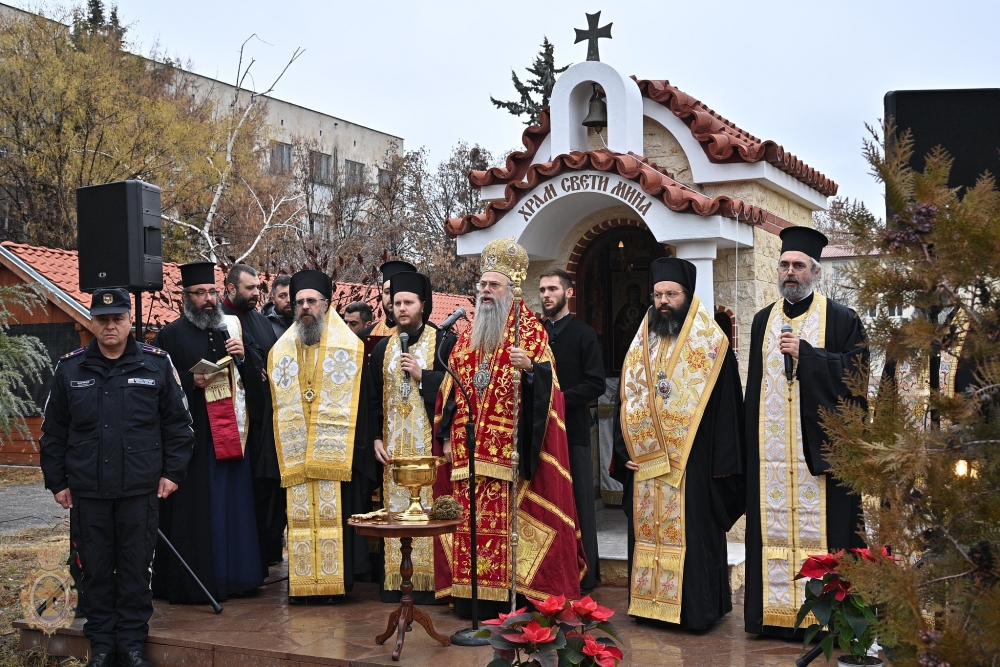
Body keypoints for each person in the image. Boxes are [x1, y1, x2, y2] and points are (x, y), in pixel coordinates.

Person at [40, 288, 194, 667]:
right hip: (88, 492)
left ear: (129, 321)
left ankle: (132, 645)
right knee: (93, 570)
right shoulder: (70, 368)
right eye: (102, 319)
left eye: (118, 319)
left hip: (139, 491)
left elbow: (179, 426)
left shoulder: (156, 365)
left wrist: (173, 473)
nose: (110, 326)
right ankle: (103, 646)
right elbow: (53, 432)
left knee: (135, 570)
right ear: (92, 322)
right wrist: (57, 481)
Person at [434, 237, 586, 618]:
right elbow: (450, 391)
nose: (485, 292)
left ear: (511, 290)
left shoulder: (530, 332)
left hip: (511, 456)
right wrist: (446, 437)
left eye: (493, 286)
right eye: (482, 285)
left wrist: (531, 370)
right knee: (470, 529)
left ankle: (510, 597)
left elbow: (553, 395)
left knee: (507, 530)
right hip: (468, 455)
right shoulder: (465, 336)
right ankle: (472, 598)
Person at [744, 227, 868, 637]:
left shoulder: (842, 318)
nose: (790, 272)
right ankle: (773, 619)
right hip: (772, 459)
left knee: (831, 536)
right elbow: (754, 391)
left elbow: (858, 376)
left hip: (821, 457)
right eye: (784, 265)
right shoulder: (763, 321)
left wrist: (809, 356)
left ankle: (830, 621)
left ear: (815, 271)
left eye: (798, 265)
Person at [611, 258, 745, 629]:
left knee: (694, 536)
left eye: (671, 294)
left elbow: (728, 413)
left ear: (688, 295)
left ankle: (695, 611)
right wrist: (626, 454)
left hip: (696, 464)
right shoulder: (640, 343)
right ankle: (649, 605)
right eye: (657, 295)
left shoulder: (712, 344)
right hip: (647, 466)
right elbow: (627, 402)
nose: (663, 301)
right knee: (648, 532)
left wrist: (722, 468)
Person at [152, 261, 264, 604]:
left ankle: (238, 578)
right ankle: (196, 583)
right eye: (200, 294)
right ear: (186, 297)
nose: (208, 299)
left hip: (230, 435)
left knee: (233, 509)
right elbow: (157, 390)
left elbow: (257, 384)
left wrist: (245, 358)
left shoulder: (229, 330)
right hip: (194, 441)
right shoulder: (169, 336)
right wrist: (190, 381)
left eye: (212, 292)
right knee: (200, 513)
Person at [267, 270, 372, 602]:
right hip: (299, 452)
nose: (305, 307)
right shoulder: (280, 350)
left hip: (335, 454)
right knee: (297, 518)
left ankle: (334, 586)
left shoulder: (350, 347)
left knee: (335, 520)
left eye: (312, 301)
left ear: (326, 304)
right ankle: (301, 586)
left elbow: (364, 406)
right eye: (299, 302)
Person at [367, 271, 456, 604]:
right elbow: (371, 400)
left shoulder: (444, 341)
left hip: (429, 449)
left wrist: (424, 376)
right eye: (397, 302)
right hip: (393, 451)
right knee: (396, 512)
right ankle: (397, 581)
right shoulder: (383, 349)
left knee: (431, 514)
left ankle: (433, 583)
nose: (401, 308)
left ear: (423, 305)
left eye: (408, 302)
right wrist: (375, 437)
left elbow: (454, 392)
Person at [538, 269, 605, 591]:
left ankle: (585, 574)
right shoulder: (533, 334)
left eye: (553, 289)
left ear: (568, 293)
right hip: (538, 434)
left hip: (573, 432)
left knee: (578, 502)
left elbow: (595, 383)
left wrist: (559, 400)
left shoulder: (583, 333)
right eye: (542, 290)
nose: (546, 295)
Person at [221, 264, 285, 569]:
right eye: (250, 288)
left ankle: (267, 553)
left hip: (263, 422)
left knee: (265, 496)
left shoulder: (261, 321)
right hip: (232, 424)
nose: (257, 293)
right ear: (231, 288)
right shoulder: (218, 321)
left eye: (259, 287)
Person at [361, 260, 417, 366]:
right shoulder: (366, 334)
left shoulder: (431, 335)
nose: (392, 297)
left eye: (396, 291)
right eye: (387, 292)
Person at [263, 275, 292, 339]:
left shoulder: (305, 321)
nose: (289, 300)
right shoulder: (264, 325)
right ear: (273, 299)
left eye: (292, 294)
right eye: (282, 296)